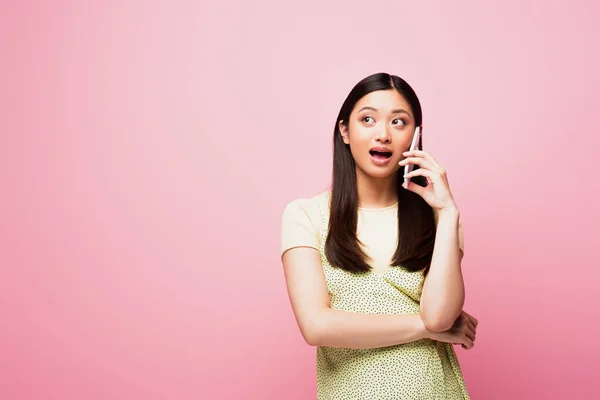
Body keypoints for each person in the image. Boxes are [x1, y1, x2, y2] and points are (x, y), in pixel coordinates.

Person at [279, 72, 478, 399]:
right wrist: (425, 329)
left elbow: (441, 315)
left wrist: (448, 213)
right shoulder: (305, 215)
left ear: (416, 136)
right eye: (368, 119)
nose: (383, 134)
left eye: (399, 122)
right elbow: (316, 326)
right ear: (345, 131)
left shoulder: (440, 219)